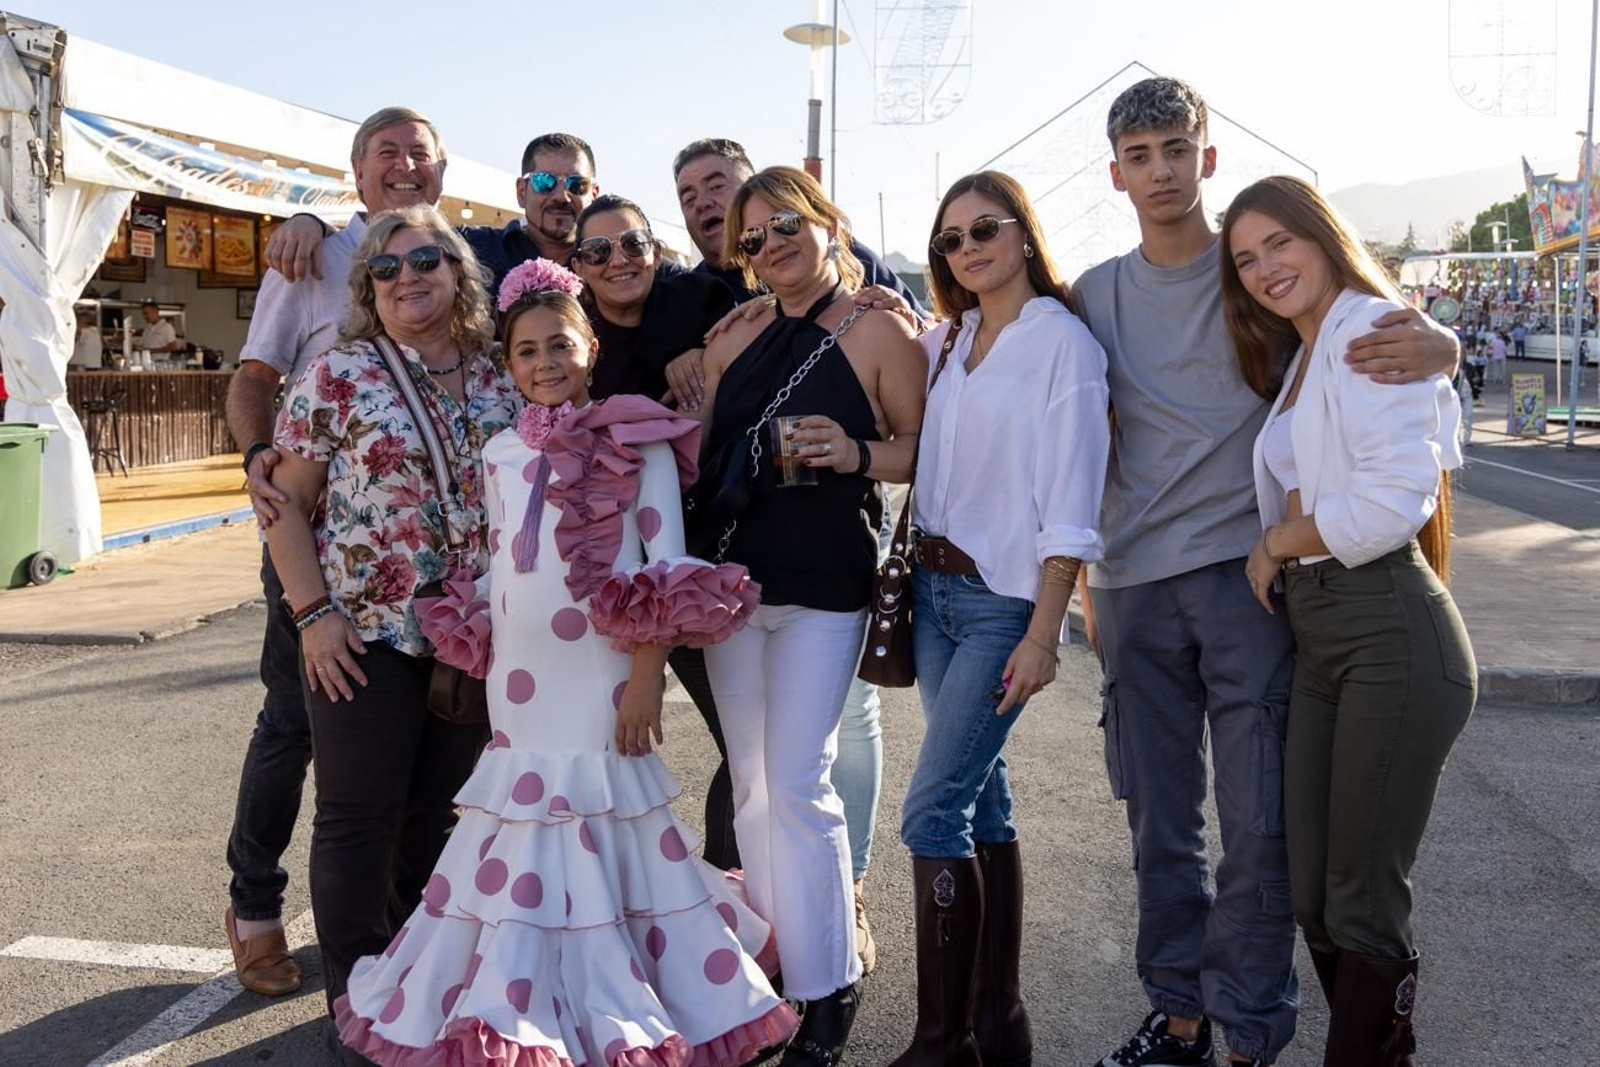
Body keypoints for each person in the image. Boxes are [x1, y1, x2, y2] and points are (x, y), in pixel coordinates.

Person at [1070, 77, 1459, 1067]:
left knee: (1259, 833)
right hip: (1131, 586)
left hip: (1249, 588)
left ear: (1205, 155)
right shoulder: (1094, 295)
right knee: (1160, 825)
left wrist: (1444, 343)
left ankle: (1248, 1026)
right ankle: (1179, 1012)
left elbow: (1368, 348)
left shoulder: (1257, 278)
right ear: (1114, 172)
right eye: (1138, 154)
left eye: (1175, 148)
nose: (1158, 170)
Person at [333, 260, 797, 1066]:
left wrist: (648, 671)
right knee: (519, 816)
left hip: (601, 674)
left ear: (590, 348)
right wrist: (471, 624)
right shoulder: (501, 450)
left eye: (561, 345)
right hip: (521, 678)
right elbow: (495, 561)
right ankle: (516, 992)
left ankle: (627, 992)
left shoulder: (636, 438)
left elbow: (665, 560)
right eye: (526, 351)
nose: (545, 362)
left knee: (597, 808)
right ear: (507, 364)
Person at [1222, 174, 1475, 1067]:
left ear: (1323, 237)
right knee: (1316, 899)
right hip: (1326, 635)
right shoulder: (1306, 350)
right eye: (1246, 258)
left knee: (1362, 895)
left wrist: (1276, 543)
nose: (1265, 268)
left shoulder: (1368, 327)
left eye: (1280, 244)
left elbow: (1391, 503)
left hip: (1389, 630)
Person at [264, 205, 521, 1037]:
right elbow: (286, 506)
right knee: (358, 819)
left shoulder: (501, 375)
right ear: (368, 286)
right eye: (387, 266)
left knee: (438, 820)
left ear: (458, 273)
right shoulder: (339, 372)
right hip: (362, 636)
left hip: (473, 642)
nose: (409, 276)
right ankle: (355, 1007)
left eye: (427, 261)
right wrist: (312, 615)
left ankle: (417, 985)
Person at [693, 165, 926, 1065]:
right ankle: (780, 953)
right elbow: (707, 453)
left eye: (787, 223)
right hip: (734, 591)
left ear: (830, 223)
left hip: (826, 588)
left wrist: (859, 448)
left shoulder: (878, 327)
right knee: (751, 784)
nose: (771, 245)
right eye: (751, 237)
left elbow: (921, 447)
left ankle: (829, 983)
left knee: (798, 782)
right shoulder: (740, 333)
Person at [220, 106, 448, 999]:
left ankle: (388, 937)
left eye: (419, 154)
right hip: (314, 547)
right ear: (355, 174)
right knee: (292, 728)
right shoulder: (309, 256)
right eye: (385, 154)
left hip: (424, 581)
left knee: (412, 763)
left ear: (441, 171)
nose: (403, 166)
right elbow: (254, 378)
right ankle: (256, 905)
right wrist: (256, 466)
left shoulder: (452, 255)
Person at [889, 171, 1110, 1067]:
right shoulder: (951, 337)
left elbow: (1072, 498)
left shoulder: (1063, 345)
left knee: (931, 811)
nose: (968, 247)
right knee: (983, 799)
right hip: (933, 599)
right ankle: (998, 1022)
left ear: (1023, 233)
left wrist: (1042, 630)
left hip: (1000, 605)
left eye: (985, 228)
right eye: (950, 239)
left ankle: (942, 1041)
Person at [569, 194, 748, 870]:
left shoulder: (701, 301)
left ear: (657, 248)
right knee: (592, 748)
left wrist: (708, 351)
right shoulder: (566, 339)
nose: (618, 260)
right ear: (577, 265)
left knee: (744, 743)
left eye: (632, 244)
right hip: (600, 582)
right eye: (597, 251)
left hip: (697, 564)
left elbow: (789, 300)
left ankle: (727, 889)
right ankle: (602, 901)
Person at [267, 132, 602, 294]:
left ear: (594, 194)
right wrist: (311, 223)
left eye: (577, 184)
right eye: (545, 182)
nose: (561, 195)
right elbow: (391, 231)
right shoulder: (472, 247)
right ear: (521, 190)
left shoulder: (616, 260)